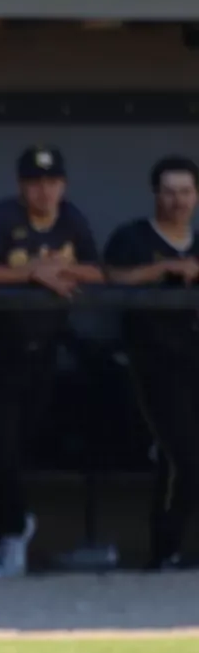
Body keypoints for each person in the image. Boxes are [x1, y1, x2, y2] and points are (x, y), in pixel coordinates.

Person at [0, 147, 104, 577]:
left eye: (52, 182)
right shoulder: (1, 217)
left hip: (42, 352)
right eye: (36, 182)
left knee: (16, 453)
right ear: (22, 186)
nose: (45, 191)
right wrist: (31, 272)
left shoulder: (70, 218)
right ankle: (16, 524)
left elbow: (99, 271)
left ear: (63, 185)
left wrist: (64, 270)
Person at [104, 155, 199, 570]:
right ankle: (165, 552)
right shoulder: (133, 237)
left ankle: (171, 551)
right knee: (184, 457)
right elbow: (109, 277)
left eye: (186, 192)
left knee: (178, 461)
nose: (178, 201)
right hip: (153, 366)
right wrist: (166, 268)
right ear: (156, 194)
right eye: (170, 192)